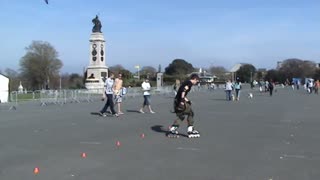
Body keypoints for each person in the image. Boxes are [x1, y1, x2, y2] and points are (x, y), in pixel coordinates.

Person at [168, 74, 200, 138]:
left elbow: (182, 93)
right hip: (180, 101)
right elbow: (183, 91)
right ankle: (190, 130)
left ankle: (173, 128)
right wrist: (182, 101)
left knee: (181, 116)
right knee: (191, 113)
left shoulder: (186, 82)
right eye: (197, 81)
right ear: (194, 79)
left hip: (177, 101)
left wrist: (187, 101)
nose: (196, 82)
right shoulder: (189, 83)